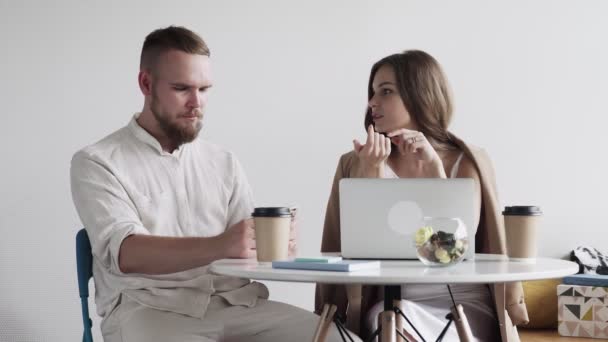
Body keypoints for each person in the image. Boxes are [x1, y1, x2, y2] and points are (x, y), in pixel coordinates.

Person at [71, 26, 358, 342]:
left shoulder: (223, 162)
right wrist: (221, 244)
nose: (197, 102)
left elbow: (242, 253)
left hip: (237, 304)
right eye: (182, 88)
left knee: (343, 340)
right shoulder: (97, 161)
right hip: (148, 310)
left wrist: (269, 250)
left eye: (204, 89)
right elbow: (126, 252)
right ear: (146, 83)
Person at [315, 50, 529, 341]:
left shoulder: (466, 160)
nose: (372, 102)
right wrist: (371, 174)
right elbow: (355, 249)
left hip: (462, 303)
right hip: (389, 303)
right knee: (390, 320)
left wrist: (434, 171)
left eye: (386, 91)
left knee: (398, 324)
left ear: (421, 96)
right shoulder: (355, 162)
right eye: (373, 92)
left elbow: (450, 251)